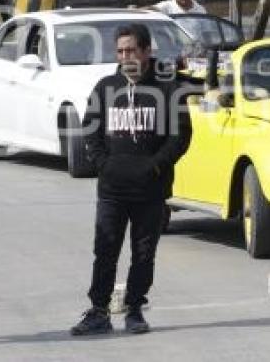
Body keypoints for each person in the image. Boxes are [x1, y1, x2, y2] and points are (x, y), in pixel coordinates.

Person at [71, 23, 191, 336]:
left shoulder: (168, 88)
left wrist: (155, 166)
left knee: (143, 254)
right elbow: (90, 129)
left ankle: (135, 309)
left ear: (147, 51)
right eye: (121, 51)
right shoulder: (105, 87)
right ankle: (98, 311)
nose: (125, 56)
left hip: (150, 190)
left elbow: (181, 136)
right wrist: (103, 165)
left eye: (131, 50)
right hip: (112, 189)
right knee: (105, 250)